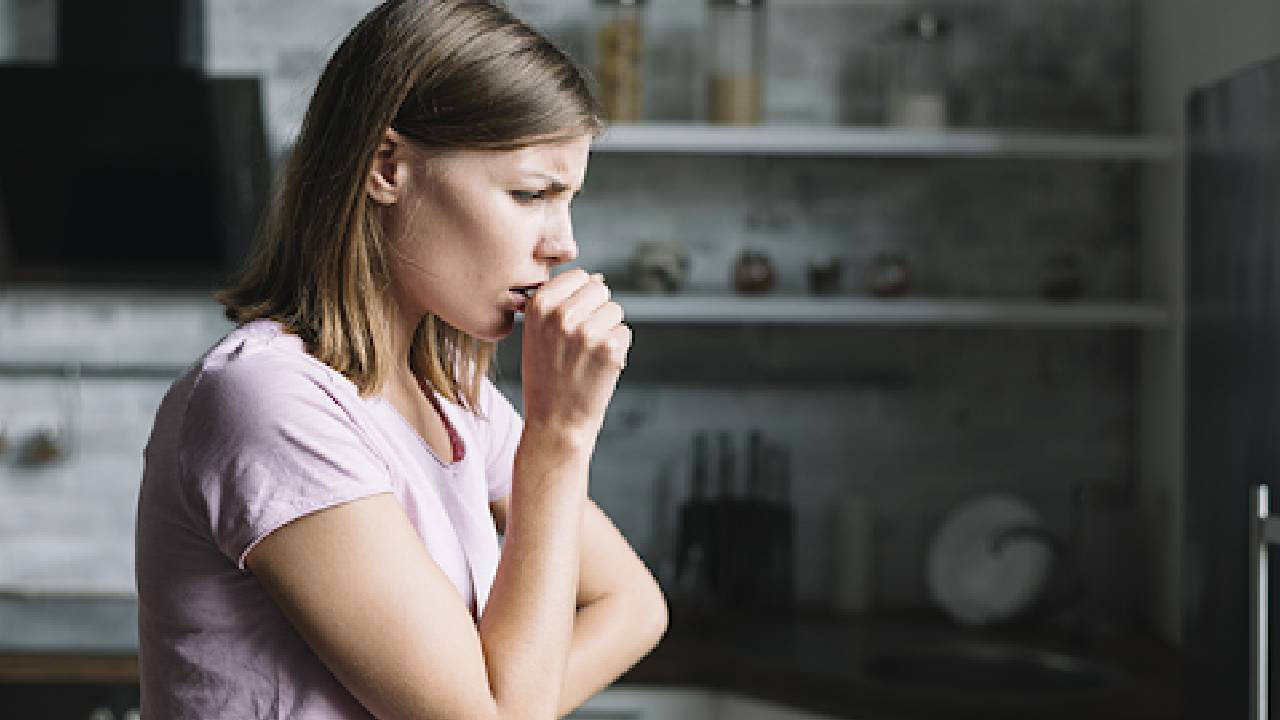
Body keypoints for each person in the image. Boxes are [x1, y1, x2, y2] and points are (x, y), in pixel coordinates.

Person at [134, 1, 668, 717]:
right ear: (388, 167)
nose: (563, 244)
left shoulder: (456, 400)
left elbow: (631, 604)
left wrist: (511, 704)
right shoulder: (270, 399)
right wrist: (559, 436)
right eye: (530, 194)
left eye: (566, 198)